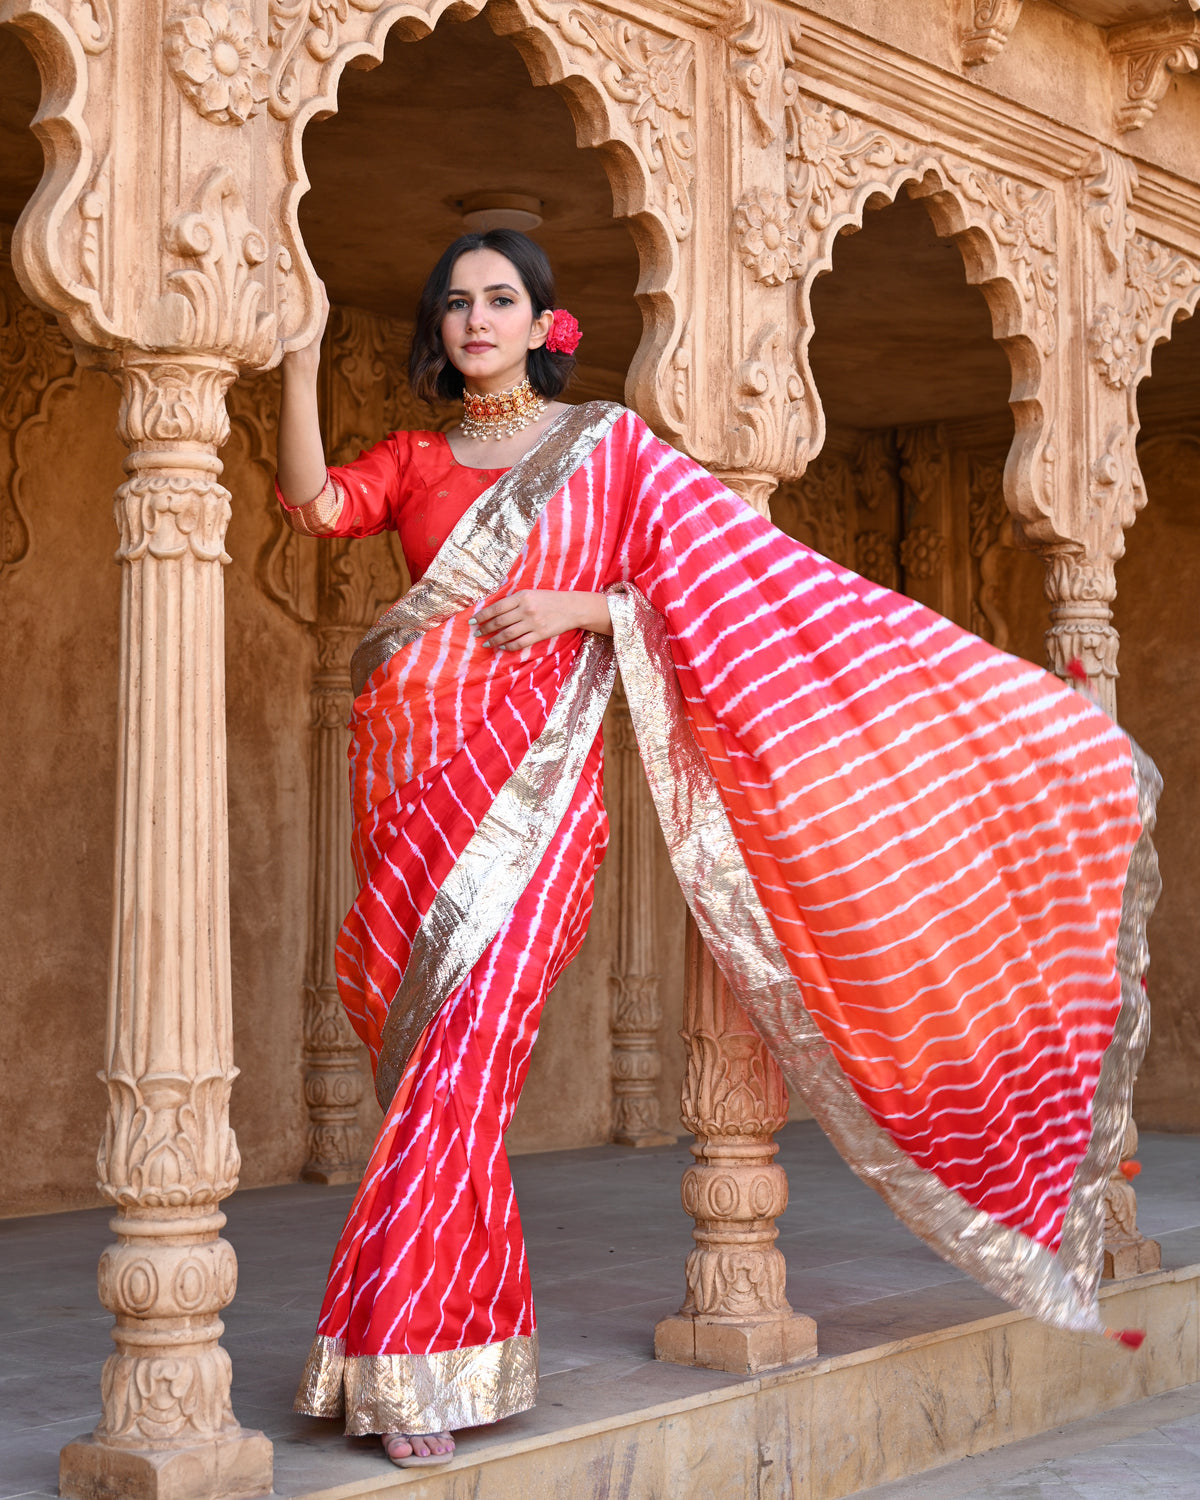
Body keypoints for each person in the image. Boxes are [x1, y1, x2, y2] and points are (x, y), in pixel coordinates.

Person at [276, 229, 1158, 1470]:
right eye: (457, 304)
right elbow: (317, 506)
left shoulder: (607, 453)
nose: (476, 320)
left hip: (540, 813)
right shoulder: (417, 457)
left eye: (500, 300)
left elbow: (723, 591)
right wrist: (299, 349)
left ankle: (414, 1357)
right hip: (416, 795)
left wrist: (584, 608)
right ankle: (418, 1349)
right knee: (434, 1082)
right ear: (443, 331)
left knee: (463, 1074)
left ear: (544, 324)